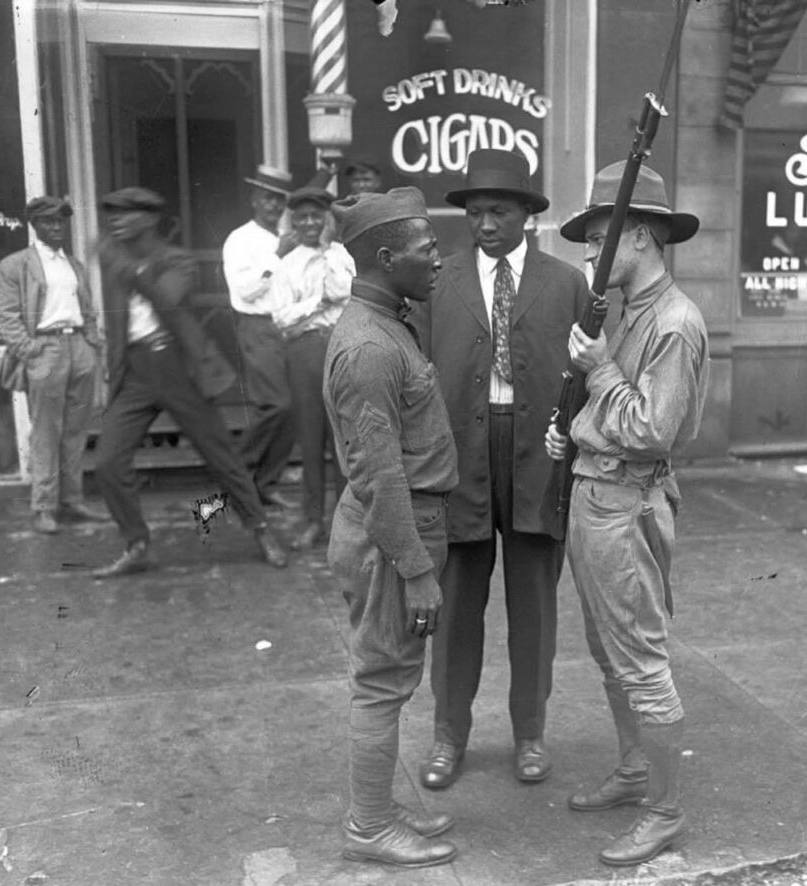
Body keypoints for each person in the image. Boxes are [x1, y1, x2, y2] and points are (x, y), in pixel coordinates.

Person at [544, 162, 709, 867]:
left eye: (598, 240)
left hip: (627, 502)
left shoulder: (675, 322)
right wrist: (575, 425)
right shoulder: (623, 312)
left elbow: (652, 432)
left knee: (641, 659)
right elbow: (611, 415)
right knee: (609, 651)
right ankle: (637, 768)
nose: (589, 256)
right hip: (594, 493)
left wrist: (601, 372)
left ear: (638, 236)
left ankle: (665, 811)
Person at [412, 148, 590, 790]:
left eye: (499, 211)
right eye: (476, 212)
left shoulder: (567, 284)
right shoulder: (439, 281)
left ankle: (531, 733)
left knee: (534, 606)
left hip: (538, 456)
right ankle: (448, 735)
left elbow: (592, 376)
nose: (485, 224)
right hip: (459, 455)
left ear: (528, 217)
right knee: (455, 604)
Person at [324, 187, 458, 868]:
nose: (438, 257)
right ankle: (370, 828)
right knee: (382, 682)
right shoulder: (372, 347)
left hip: (397, 529)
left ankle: (378, 809)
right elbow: (380, 476)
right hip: (391, 538)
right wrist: (418, 571)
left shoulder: (385, 323)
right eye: (426, 246)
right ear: (385, 256)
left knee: (391, 674)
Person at [91, 187, 288, 577]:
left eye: (125, 213)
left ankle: (262, 531)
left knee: (223, 458)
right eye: (110, 213)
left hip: (180, 368)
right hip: (135, 371)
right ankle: (138, 544)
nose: (114, 220)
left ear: (148, 219)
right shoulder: (115, 263)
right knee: (108, 461)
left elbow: (166, 300)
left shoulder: (177, 260)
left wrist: (128, 270)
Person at [0, 196, 108, 533]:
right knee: (45, 430)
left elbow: (86, 309)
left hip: (79, 348)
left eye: (61, 221)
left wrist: (92, 343)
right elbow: (5, 317)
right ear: (34, 225)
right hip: (46, 349)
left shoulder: (74, 265)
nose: (56, 227)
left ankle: (72, 501)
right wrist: (29, 349)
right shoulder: (16, 265)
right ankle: (44, 505)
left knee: (75, 431)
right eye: (48, 221)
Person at [268, 185, 354, 550]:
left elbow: (347, 291)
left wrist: (327, 259)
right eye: (301, 217)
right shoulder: (286, 264)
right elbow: (282, 318)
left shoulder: (342, 255)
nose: (308, 223)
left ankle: (347, 522)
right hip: (303, 353)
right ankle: (312, 520)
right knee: (310, 436)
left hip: (340, 348)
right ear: (293, 221)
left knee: (344, 439)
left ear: (326, 219)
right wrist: (316, 302)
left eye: (316, 216)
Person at [222, 165, 298, 509]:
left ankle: (266, 484)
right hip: (258, 327)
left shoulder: (285, 237)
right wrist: (278, 255)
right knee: (275, 405)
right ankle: (235, 473)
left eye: (279, 199)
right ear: (254, 199)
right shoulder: (241, 240)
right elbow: (245, 291)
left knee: (292, 409)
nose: (273, 205)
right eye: (267, 198)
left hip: (288, 327)